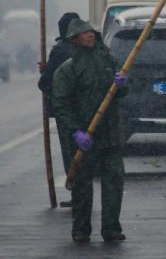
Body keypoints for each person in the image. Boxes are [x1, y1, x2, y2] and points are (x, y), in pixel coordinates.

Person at [51, 17, 129, 243]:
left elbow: (123, 91)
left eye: (91, 31)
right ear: (74, 39)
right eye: (84, 33)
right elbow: (61, 105)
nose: (90, 35)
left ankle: (112, 228)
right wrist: (76, 131)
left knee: (114, 183)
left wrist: (123, 84)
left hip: (110, 135)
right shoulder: (68, 69)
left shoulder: (109, 61)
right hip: (84, 137)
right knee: (82, 186)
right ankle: (81, 229)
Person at [37, 12, 80, 207]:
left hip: (66, 112)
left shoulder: (61, 50)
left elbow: (46, 83)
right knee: (83, 154)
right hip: (87, 110)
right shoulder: (88, 48)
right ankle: (82, 193)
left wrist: (46, 73)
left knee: (70, 154)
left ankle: (77, 193)